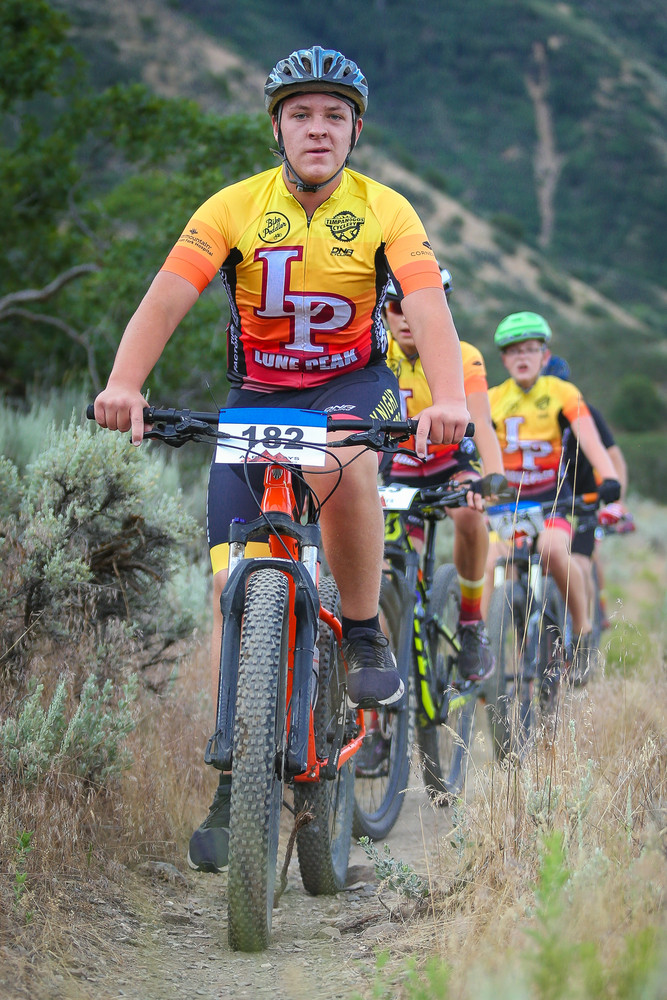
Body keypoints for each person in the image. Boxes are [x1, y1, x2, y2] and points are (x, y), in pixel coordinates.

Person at [92, 45, 470, 872]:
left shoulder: (386, 210)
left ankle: (362, 631)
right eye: (301, 114)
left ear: (355, 131)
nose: (318, 128)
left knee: (340, 457)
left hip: (351, 386)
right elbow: (167, 295)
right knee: (227, 587)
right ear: (276, 127)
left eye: (335, 116)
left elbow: (428, 305)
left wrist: (447, 399)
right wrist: (125, 383)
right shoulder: (232, 207)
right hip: (256, 399)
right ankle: (237, 780)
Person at [484, 311, 621, 685]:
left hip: (552, 500)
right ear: (504, 359)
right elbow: (475, 447)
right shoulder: (492, 398)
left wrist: (608, 476)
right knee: (491, 561)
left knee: (553, 549)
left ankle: (582, 632)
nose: (523, 357)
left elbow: (590, 439)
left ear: (545, 355)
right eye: (514, 351)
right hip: (509, 504)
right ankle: (483, 650)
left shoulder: (563, 393)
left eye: (531, 349)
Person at [383, 268, 504, 681]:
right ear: (384, 312)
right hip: (400, 467)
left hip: (452, 463)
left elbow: (481, 422)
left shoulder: (464, 354)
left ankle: (470, 622)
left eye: (414, 305)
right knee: (389, 567)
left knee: (470, 513)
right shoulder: (376, 352)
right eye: (395, 307)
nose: (405, 316)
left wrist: (494, 477)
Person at [543, 354, 630, 649]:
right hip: (548, 498)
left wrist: (617, 501)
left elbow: (615, 458)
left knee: (581, 561)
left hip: (587, 498)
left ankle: (585, 637)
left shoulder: (584, 412)